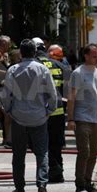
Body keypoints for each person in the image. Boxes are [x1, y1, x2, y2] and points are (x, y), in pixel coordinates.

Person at [1, 39, 57, 192]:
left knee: (18, 154)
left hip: (18, 117)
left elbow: (6, 94)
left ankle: (19, 187)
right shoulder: (43, 69)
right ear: (35, 52)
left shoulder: (13, 70)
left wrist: (9, 110)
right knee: (42, 152)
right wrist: (49, 110)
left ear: (21, 52)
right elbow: (52, 93)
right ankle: (42, 184)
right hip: (39, 116)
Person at [67, 43, 97, 192]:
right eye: (94, 56)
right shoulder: (78, 73)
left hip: (96, 120)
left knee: (93, 153)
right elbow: (72, 97)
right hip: (82, 118)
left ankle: (88, 182)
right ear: (86, 56)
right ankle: (79, 184)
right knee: (84, 152)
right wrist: (71, 119)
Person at [34, 38, 67, 183]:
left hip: (41, 112)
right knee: (56, 144)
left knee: (40, 144)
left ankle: (51, 169)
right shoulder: (59, 65)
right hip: (58, 112)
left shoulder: (34, 66)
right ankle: (58, 174)